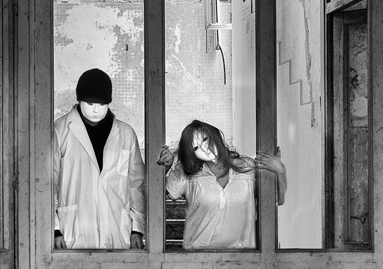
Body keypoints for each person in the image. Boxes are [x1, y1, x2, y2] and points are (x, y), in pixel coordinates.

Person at [52, 68, 146, 249]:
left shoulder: (126, 133)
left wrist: (137, 229)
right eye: (90, 103)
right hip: (73, 230)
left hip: (117, 230)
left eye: (102, 104)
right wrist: (55, 229)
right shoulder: (60, 131)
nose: (96, 109)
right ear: (79, 99)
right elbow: (50, 183)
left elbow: (136, 184)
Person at [159, 119, 287, 250]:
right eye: (196, 148)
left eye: (205, 139)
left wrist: (280, 170)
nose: (204, 149)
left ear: (215, 137)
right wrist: (165, 168)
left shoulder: (247, 167)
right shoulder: (187, 174)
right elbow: (155, 198)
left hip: (243, 255)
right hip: (198, 255)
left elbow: (277, 199)